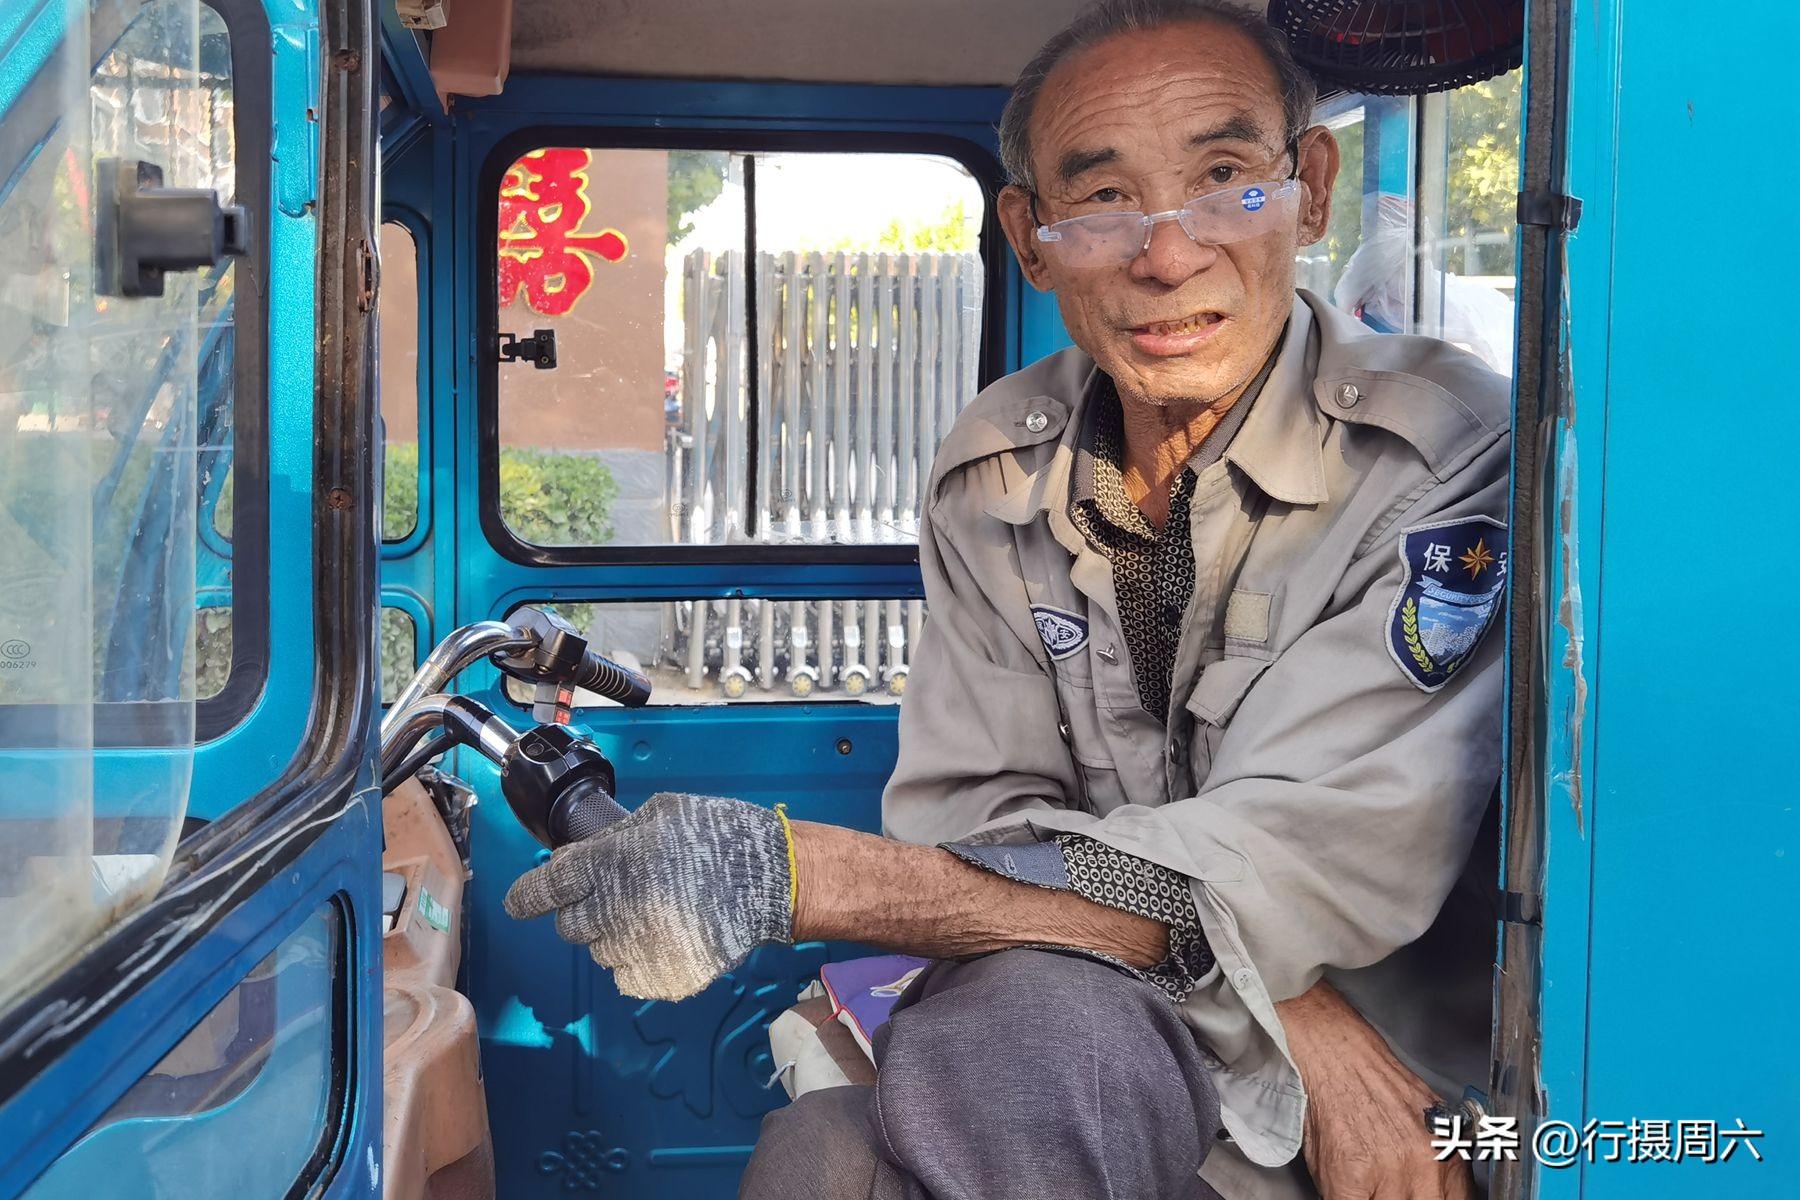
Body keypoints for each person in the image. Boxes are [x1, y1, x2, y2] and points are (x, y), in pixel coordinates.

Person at [503, 2, 1510, 1196]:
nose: (1168, 254)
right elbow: (973, 819)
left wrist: (797, 877)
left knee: (1021, 1041)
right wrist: (1287, 1004)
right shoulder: (1000, 467)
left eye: (1229, 179)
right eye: (1104, 202)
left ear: (1314, 191)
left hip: (1391, 1105)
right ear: (1029, 239)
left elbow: (1311, 859)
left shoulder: (1441, 458)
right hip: (1147, 1023)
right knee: (829, 1149)